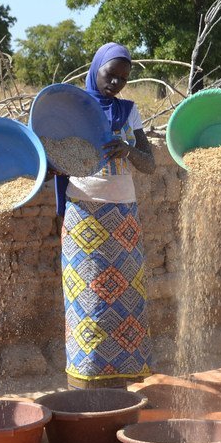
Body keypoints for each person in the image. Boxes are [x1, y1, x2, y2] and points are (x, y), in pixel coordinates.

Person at [58, 42, 156, 390]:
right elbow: (54, 161)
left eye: (122, 79)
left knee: (126, 299)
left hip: (123, 220)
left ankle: (120, 384)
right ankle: (84, 385)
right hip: (84, 216)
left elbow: (149, 164)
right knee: (87, 300)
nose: (115, 84)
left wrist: (128, 149)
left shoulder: (128, 112)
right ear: (95, 68)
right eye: (109, 75)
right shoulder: (73, 110)